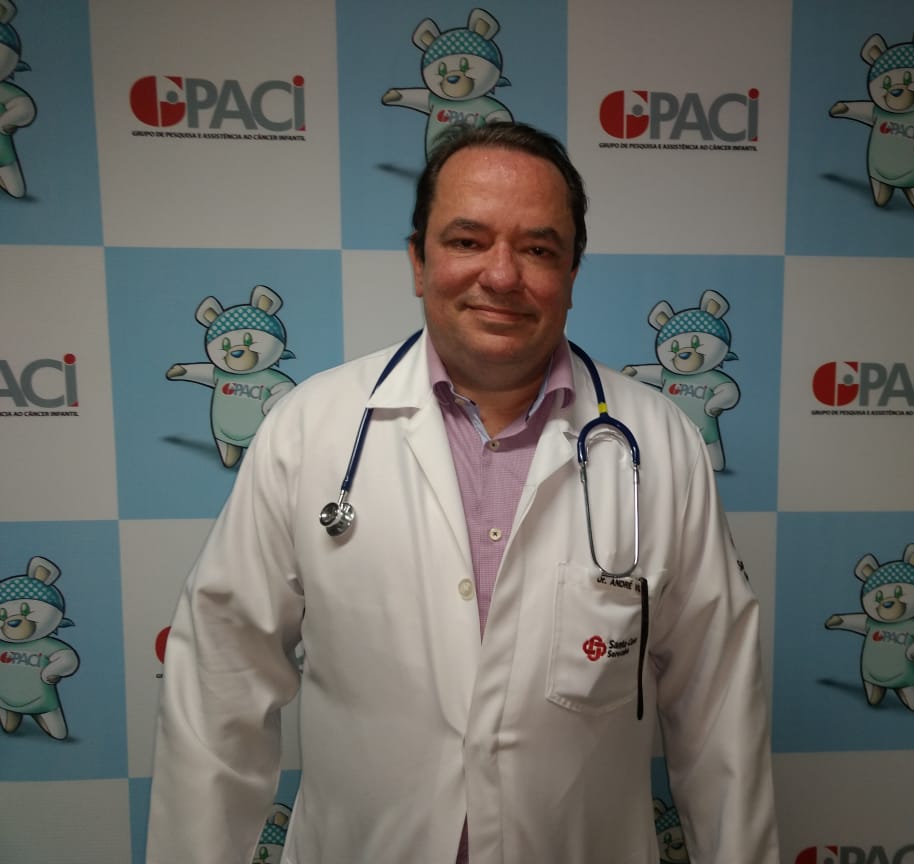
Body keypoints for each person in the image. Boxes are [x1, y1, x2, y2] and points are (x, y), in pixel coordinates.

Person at [146, 121, 777, 863]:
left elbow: (718, 712)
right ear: (419, 261)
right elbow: (218, 685)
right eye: (468, 240)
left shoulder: (659, 445)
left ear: (573, 272)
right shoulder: (310, 429)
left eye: (538, 249)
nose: (502, 276)